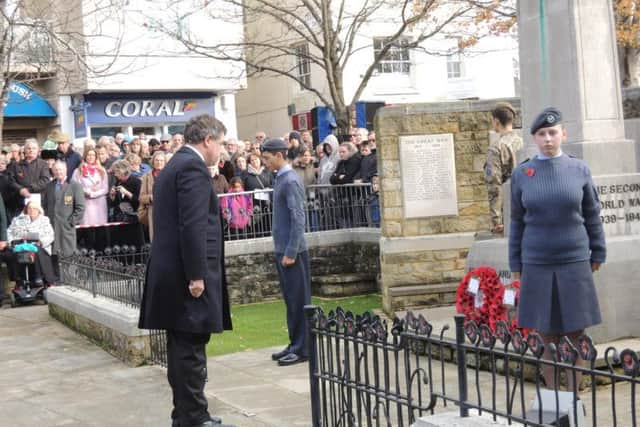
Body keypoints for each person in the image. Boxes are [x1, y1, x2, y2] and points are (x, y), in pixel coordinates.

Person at [138, 114, 233, 427]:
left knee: (182, 348)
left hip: (171, 272)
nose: (220, 151)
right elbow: (192, 226)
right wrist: (197, 275)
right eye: (219, 144)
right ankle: (193, 417)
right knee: (189, 350)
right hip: (185, 275)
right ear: (208, 140)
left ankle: (187, 413)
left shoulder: (175, 165)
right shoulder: (191, 167)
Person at [509, 107, 606, 392]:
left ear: (563, 134)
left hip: (574, 261)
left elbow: (592, 214)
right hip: (536, 263)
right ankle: (552, 400)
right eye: (542, 134)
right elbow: (516, 221)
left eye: (553, 132)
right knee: (546, 335)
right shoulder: (522, 174)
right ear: (534, 138)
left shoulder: (579, 170)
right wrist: (515, 262)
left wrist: (598, 251)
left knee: (575, 334)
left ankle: (574, 396)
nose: (548, 139)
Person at [260, 138, 311, 366]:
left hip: (293, 253)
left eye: (268, 158)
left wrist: (291, 251)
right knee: (291, 300)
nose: (265, 162)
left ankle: (303, 348)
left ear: (279, 155)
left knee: (299, 301)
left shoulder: (289, 180)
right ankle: (295, 343)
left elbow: (299, 219)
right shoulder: (281, 178)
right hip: (284, 251)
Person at [485, 102, 523, 234]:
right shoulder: (524, 143)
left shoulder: (495, 148)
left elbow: (494, 185)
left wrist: (497, 220)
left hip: (508, 211)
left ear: (496, 121)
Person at [6, 201, 57, 285]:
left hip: (39, 245)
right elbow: (9, 232)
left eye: (34, 209)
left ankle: (38, 277)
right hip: (20, 244)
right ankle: (18, 278)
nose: (32, 210)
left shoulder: (44, 220)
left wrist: (41, 242)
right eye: (30, 208)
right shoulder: (17, 220)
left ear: (39, 210)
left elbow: (50, 235)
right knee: (12, 253)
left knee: (36, 251)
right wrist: (11, 241)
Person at [42, 162, 86, 257]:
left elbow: (81, 207)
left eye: (60, 169)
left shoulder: (75, 186)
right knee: (53, 256)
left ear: (65, 170)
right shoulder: (49, 186)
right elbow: (44, 205)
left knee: (68, 255)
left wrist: (71, 222)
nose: (58, 172)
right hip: (52, 227)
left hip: (67, 227)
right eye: (56, 170)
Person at [7, 139, 51, 218]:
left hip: (39, 204)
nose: (31, 150)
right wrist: (20, 190)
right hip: (20, 205)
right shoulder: (16, 165)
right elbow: (11, 181)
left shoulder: (43, 164)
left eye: (34, 148)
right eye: (29, 148)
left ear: (38, 150)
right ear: (24, 150)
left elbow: (45, 180)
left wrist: (29, 189)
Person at [71, 148, 109, 226]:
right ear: (85, 156)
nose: (91, 157)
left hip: (99, 203)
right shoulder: (78, 171)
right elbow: (74, 187)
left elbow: (105, 189)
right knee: (87, 228)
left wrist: (93, 194)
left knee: (100, 228)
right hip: (86, 202)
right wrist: (86, 191)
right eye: (88, 155)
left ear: (96, 157)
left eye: (93, 155)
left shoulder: (102, 170)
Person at [138, 151, 166, 241]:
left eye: (161, 161)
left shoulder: (170, 176)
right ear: (153, 162)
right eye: (157, 160)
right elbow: (141, 198)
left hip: (168, 211)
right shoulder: (146, 177)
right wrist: (150, 198)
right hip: (153, 211)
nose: (159, 163)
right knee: (155, 240)